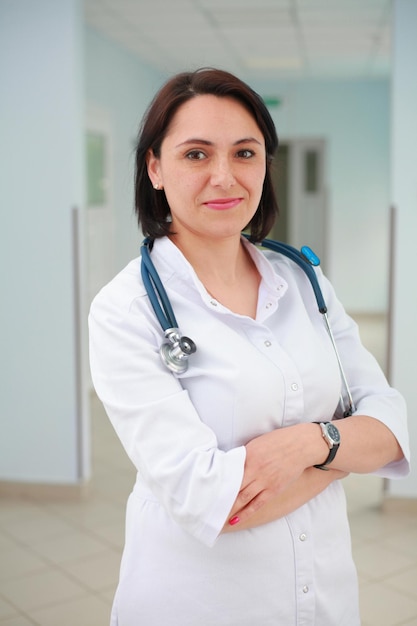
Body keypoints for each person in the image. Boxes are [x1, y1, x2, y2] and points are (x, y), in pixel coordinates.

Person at [89, 68, 410, 626]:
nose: (224, 176)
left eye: (245, 153)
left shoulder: (304, 279)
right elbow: (211, 500)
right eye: (195, 155)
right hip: (198, 603)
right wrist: (340, 452)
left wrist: (309, 444)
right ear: (155, 168)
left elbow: (389, 425)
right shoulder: (125, 309)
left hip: (325, 596)